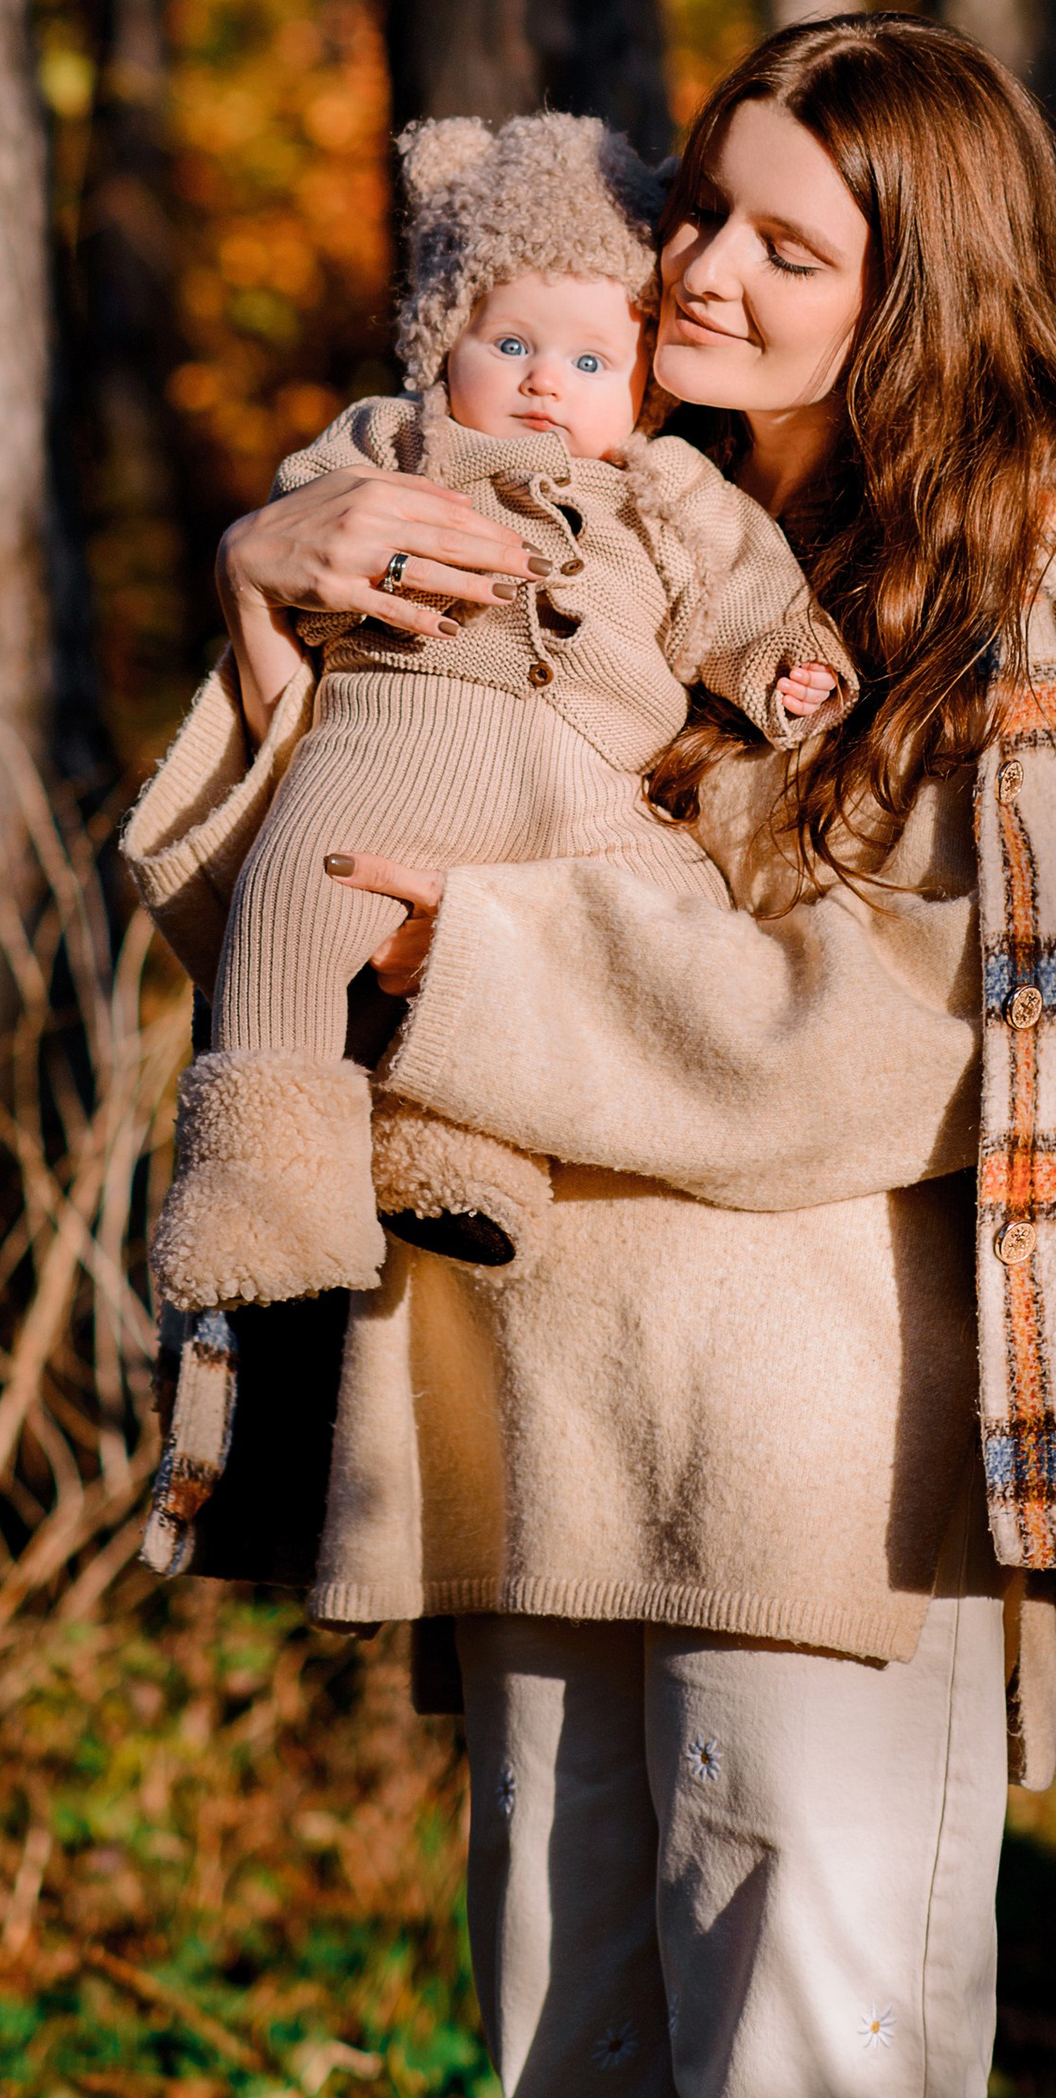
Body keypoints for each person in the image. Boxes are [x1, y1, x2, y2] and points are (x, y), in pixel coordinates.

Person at [121, 14, 1056, 2098]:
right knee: (565, 2056)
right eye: (701, 204)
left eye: (788, 249)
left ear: (925, 291)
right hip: (543, 1425)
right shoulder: (599, 522)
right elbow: (331, 931)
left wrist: (492, 955)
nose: (699, 268)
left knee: (808, 2065)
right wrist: (271, 632)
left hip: (824, 1481)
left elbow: (900, 1043)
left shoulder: (1018, 594)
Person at [153, 107, 849, 1313]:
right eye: (509, 341)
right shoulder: (396, 441)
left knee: (668, 919)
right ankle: (260, 1186)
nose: (542, 381)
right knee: (292, 905)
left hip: (593, 779)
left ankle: (461, 1162)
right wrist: (273, 557)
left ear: (638, 384)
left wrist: (782, 667)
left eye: (588, 361)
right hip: (394, 745)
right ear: (442, 343)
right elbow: (308, 520)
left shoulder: (672, 486)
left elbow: (743, 600)